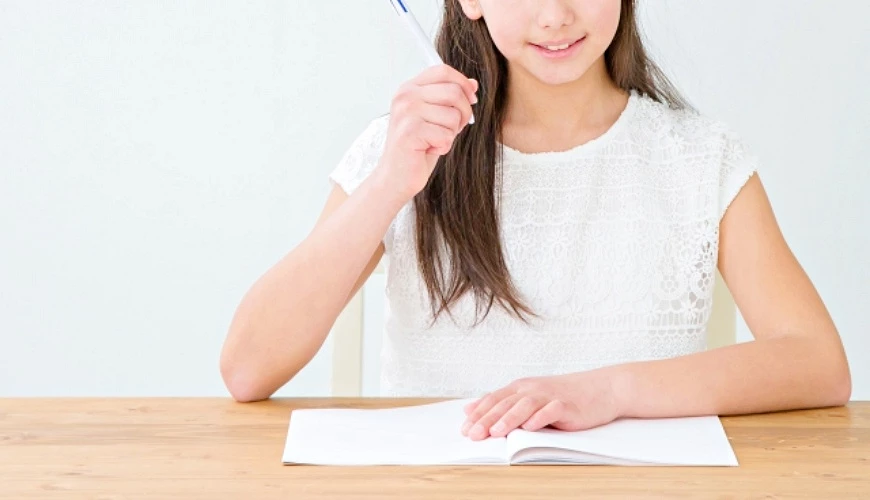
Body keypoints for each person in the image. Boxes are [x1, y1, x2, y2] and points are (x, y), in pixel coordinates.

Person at [220, 0, 851, 442]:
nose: (554, 14)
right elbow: (247, 368)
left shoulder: (699, 158)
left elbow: (818, 363)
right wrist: (389, 184)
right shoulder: (404, 150)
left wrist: (608, 392)